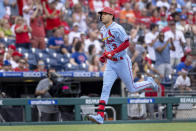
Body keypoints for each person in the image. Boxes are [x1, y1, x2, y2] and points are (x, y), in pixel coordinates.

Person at [86, 7, 159, 124]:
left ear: (111, 16)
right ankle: (100, 116)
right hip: (111, 63)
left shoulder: (117, 28)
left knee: (131, 88)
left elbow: (126, 43)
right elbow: (109, 45)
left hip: (122, 62)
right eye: (101, 14)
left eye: (105, 14)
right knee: (105, 88)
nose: (102, 16)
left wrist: (113, 53)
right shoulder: (103, 29)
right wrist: (105, 55)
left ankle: (149, 82)